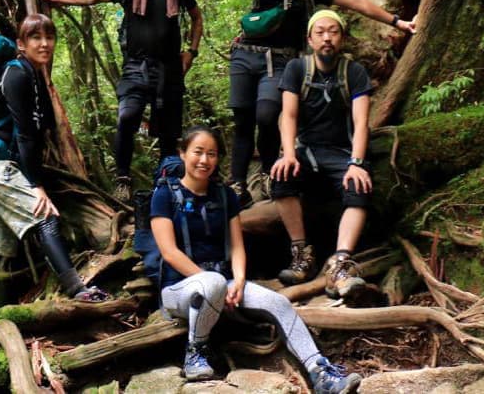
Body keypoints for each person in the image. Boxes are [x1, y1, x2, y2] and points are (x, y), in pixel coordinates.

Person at [151, 125, 362, 392]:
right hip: (178, 290)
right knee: (212, 283)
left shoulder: (225, 196)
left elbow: (237, 247)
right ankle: (195, 353)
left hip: (225, 283)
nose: (204, 160)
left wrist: (238, 281)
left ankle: (321, 372)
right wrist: (209, 282)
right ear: (183, 153)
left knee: (278, 302)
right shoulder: (164, 195)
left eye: (212, 154)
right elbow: (169, 252)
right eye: (198, 152)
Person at [224, 0, 415, 205]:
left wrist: (397, 22)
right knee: (242, 119)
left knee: (266, 115)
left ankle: (267, 173)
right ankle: (237, 184)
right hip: (245, 54)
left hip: (280, 61)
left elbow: (356, 2)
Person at [0, 14, 109, 334]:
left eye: (49, 36)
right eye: (35, 37)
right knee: (45, 217)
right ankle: (78, 290)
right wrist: (36, 185)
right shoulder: (17, 74)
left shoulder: (30, 73)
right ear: (21, 44)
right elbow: (26, 136)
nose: (44, 43)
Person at [43, 0, 203, 202]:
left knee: (168, 132)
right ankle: (122, 178)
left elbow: (196, 18)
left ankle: (165, 186)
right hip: (136, 66)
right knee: (128, 116)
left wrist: (191, 51)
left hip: (169, 69)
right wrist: (58, 1)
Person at [269, 11, 372, 297]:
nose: (327, 38)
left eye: (334, 32)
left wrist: (357, 163)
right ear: (310, 39)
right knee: (281, 177)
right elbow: (287, 115)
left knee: (358, 186)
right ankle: (302, 253)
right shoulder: (296, 69)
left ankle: (339, 263)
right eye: (321, 32)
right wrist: (288, 154)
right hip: (305, 151)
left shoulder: (354, 72)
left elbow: (362, 122)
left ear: (341, 37)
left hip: (342, 153)